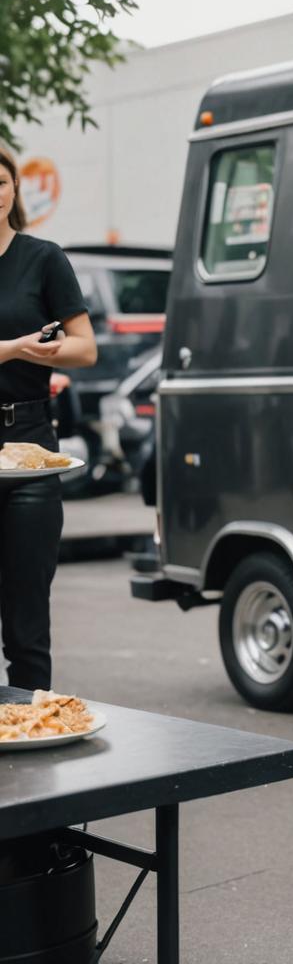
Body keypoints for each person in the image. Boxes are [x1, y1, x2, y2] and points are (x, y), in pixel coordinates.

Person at [0, 148, 98, 690]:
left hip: (30, 443)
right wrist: (12, 348)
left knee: (28, 615)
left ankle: (32, 731)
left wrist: (43, 352)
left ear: (14, 190)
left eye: (1, 181)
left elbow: (85, 351)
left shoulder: (44, 259)